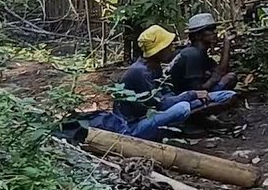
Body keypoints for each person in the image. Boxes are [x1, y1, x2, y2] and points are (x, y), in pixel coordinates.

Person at [91, 25, 234, 140]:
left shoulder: (155, 66)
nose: (172, 50)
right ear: (158, 50)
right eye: (168, 46)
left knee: (226, 95)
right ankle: (187, 123)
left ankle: (193, 120)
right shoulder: (140, 72)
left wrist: (195, 98)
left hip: (156, 112)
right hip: (133, 126)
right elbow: (160, 105)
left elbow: (166, 94)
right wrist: (192, 95)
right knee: (183, 107)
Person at [170, 13, 238, 97]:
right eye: (210, 30)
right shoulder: (192, 54)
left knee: (230, 78)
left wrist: (226, 45)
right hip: (182, 96)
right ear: (198, 35)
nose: (215, 33)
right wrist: (213, 79)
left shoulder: (200, 52)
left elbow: (221, 71)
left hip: (194, 92)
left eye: (214, 29)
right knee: (229, 94)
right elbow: (198, 90)